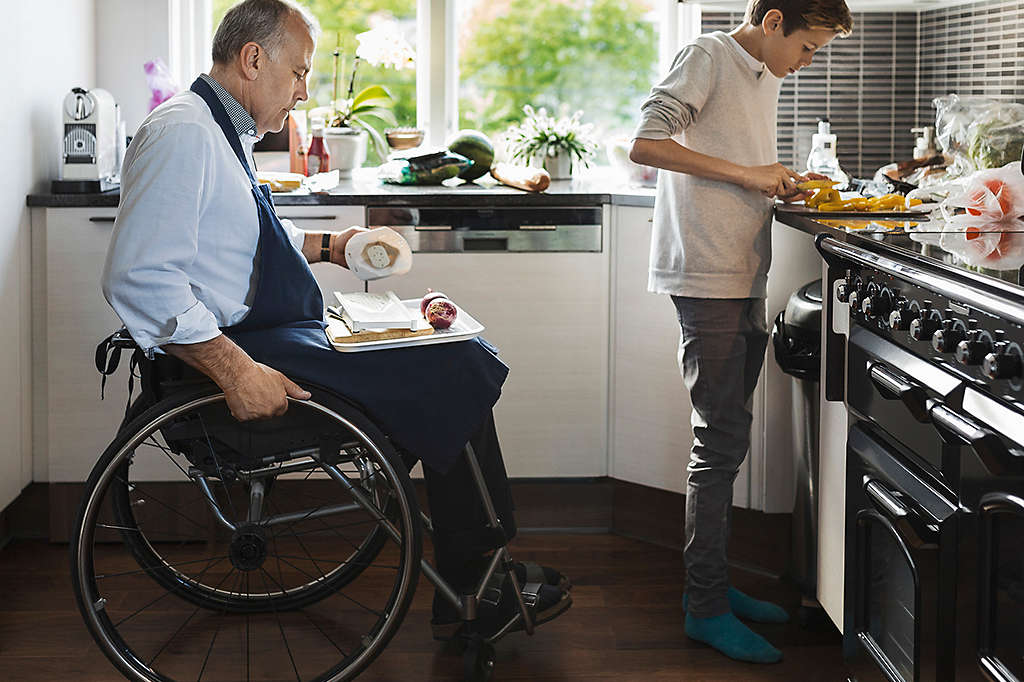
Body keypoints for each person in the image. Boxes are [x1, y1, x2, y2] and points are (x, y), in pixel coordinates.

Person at [101, 0, 571, 644]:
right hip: (245, 350)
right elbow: (139, 276)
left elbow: (240, 244)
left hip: (264, 333)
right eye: (298, 73)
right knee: (453, 362)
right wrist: (236, 373)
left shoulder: (220, 130)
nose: (303, 90)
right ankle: (478, 583)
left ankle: (483, 568)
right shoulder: (184, 132)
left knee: (447, 347)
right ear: (252, 58)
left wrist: (336, 244)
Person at [629, 0, 852, 664]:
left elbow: (733, 158)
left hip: (740, 269)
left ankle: (716, 586)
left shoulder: (763, 75)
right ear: (775, 19)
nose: (807, 63)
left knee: (727, 439)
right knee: (718, 442)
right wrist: (749, 175)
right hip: (705, 273)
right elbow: (645, 141)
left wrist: (778, 181)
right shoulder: (709, 55)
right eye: (808, 47)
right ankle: (704, 606)